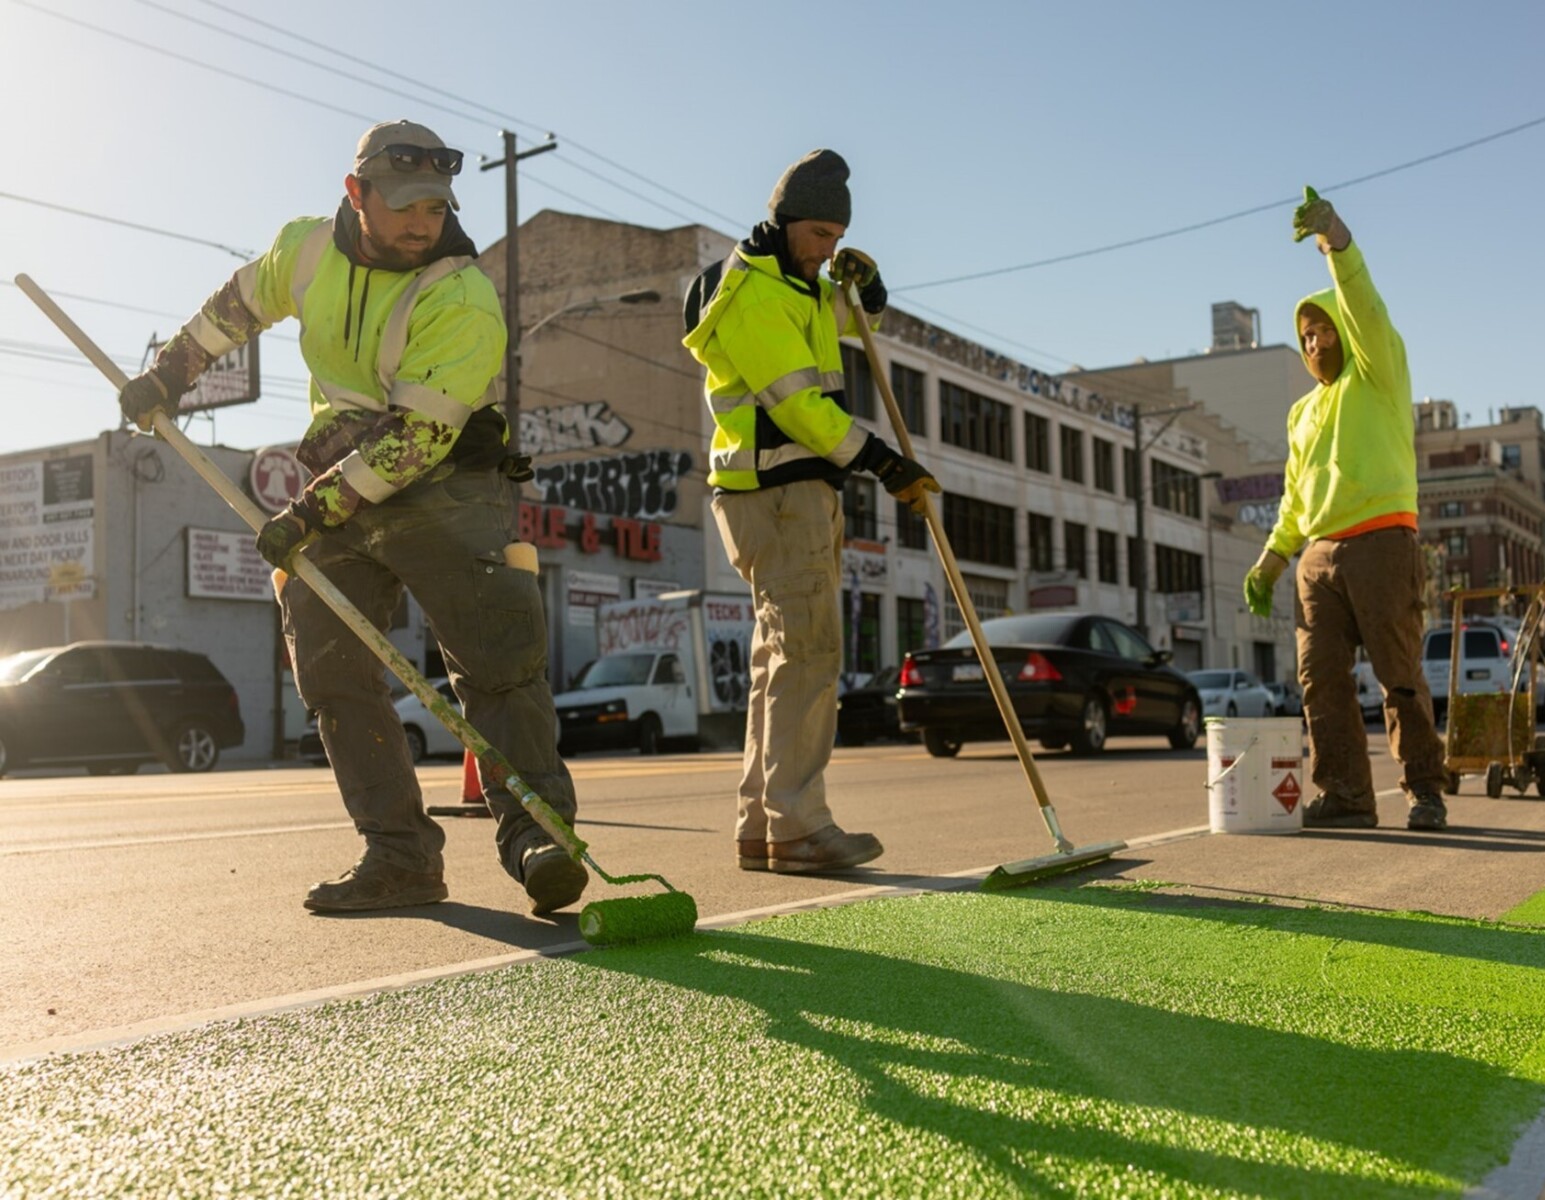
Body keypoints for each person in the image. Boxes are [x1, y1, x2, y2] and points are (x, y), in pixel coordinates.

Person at [117, 120, 588, 914]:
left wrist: (308, 511)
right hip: (340, 471)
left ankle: (537, 834)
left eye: (436, 209)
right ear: (356, 194)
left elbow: (417, 439)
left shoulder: (461, 295)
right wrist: (168, 376)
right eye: (403, 205)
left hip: (446, 481)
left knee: (497, 665)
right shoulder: (304, 249)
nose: (420, 223)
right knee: (330, 669)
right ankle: (400, 855)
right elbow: (234, 307)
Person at [681, 149, 939, 873]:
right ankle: (796, 825)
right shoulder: (756, 293)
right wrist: (882, 460)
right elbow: (798, 406)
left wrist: (870, 289)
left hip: (793, 493)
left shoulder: (797, 289)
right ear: (786, 220)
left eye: (838, 238)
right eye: (821, 234)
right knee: (809, 655)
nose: (830, 249)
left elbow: (854, 325)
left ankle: (765, 828)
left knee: (780, 665)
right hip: (779, 491)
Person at [1243, 186, 1448, 832]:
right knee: (1320, 684)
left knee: (1398, 675)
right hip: (1319, 557)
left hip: (1384, 541)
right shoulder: (1302, 412)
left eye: (1323, 328)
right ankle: (1346, 796)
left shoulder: (1378, 371)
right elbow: (1296, 498)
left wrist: (1334, 236)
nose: (1313, 342)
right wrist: (1272, 561)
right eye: (1304, 336)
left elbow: (1363, 304)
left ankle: (1424, 791)